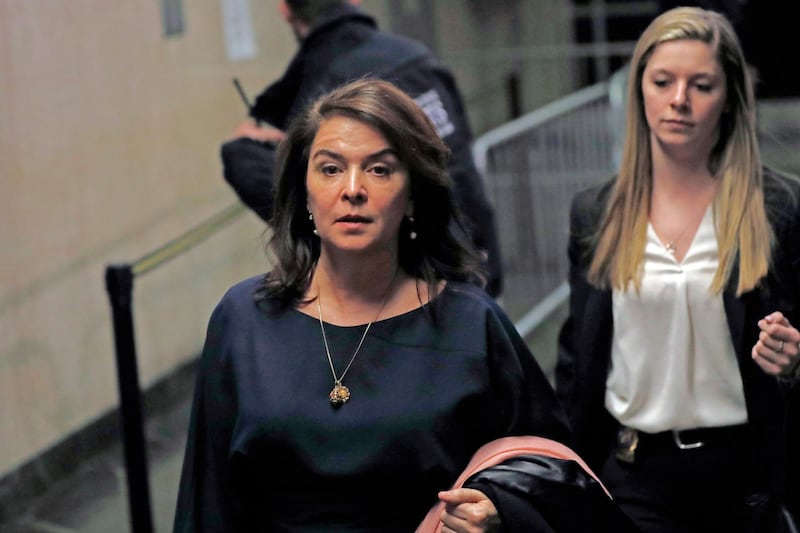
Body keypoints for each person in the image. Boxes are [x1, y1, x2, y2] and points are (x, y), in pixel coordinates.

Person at [173, 79, 637, 532]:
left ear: (413, 193)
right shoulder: (244, 320)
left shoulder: (469, 323)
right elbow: (207, 499)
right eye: (330, 168)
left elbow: (551, 475)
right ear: (306, 193)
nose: (352, 188)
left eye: (379, 169)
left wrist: (496, 509)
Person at [555, 6, 800, 532]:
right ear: (638, 89)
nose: (679, 100)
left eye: (702, 85)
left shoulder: (777, 208)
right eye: (662, 81)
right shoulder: (596, 214)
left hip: (747, 482)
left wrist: (795, 360)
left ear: (730, 100)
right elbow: (579, 365)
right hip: (634, 480)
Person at [221, 0, 504, 297]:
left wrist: (249, 149)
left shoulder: (319, 91)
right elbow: (461, 164)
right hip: (471, 266)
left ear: (285, 10)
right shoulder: (417, 58)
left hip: (394, 292)